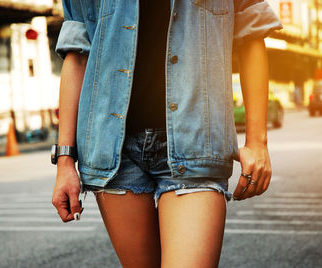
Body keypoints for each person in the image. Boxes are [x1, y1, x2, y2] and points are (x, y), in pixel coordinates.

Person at [52, 0, 282, 267]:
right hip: (114, 152)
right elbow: (78, 53)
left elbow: (251, 31)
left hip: (196, 144)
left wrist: (257, 141)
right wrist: (65, 161)